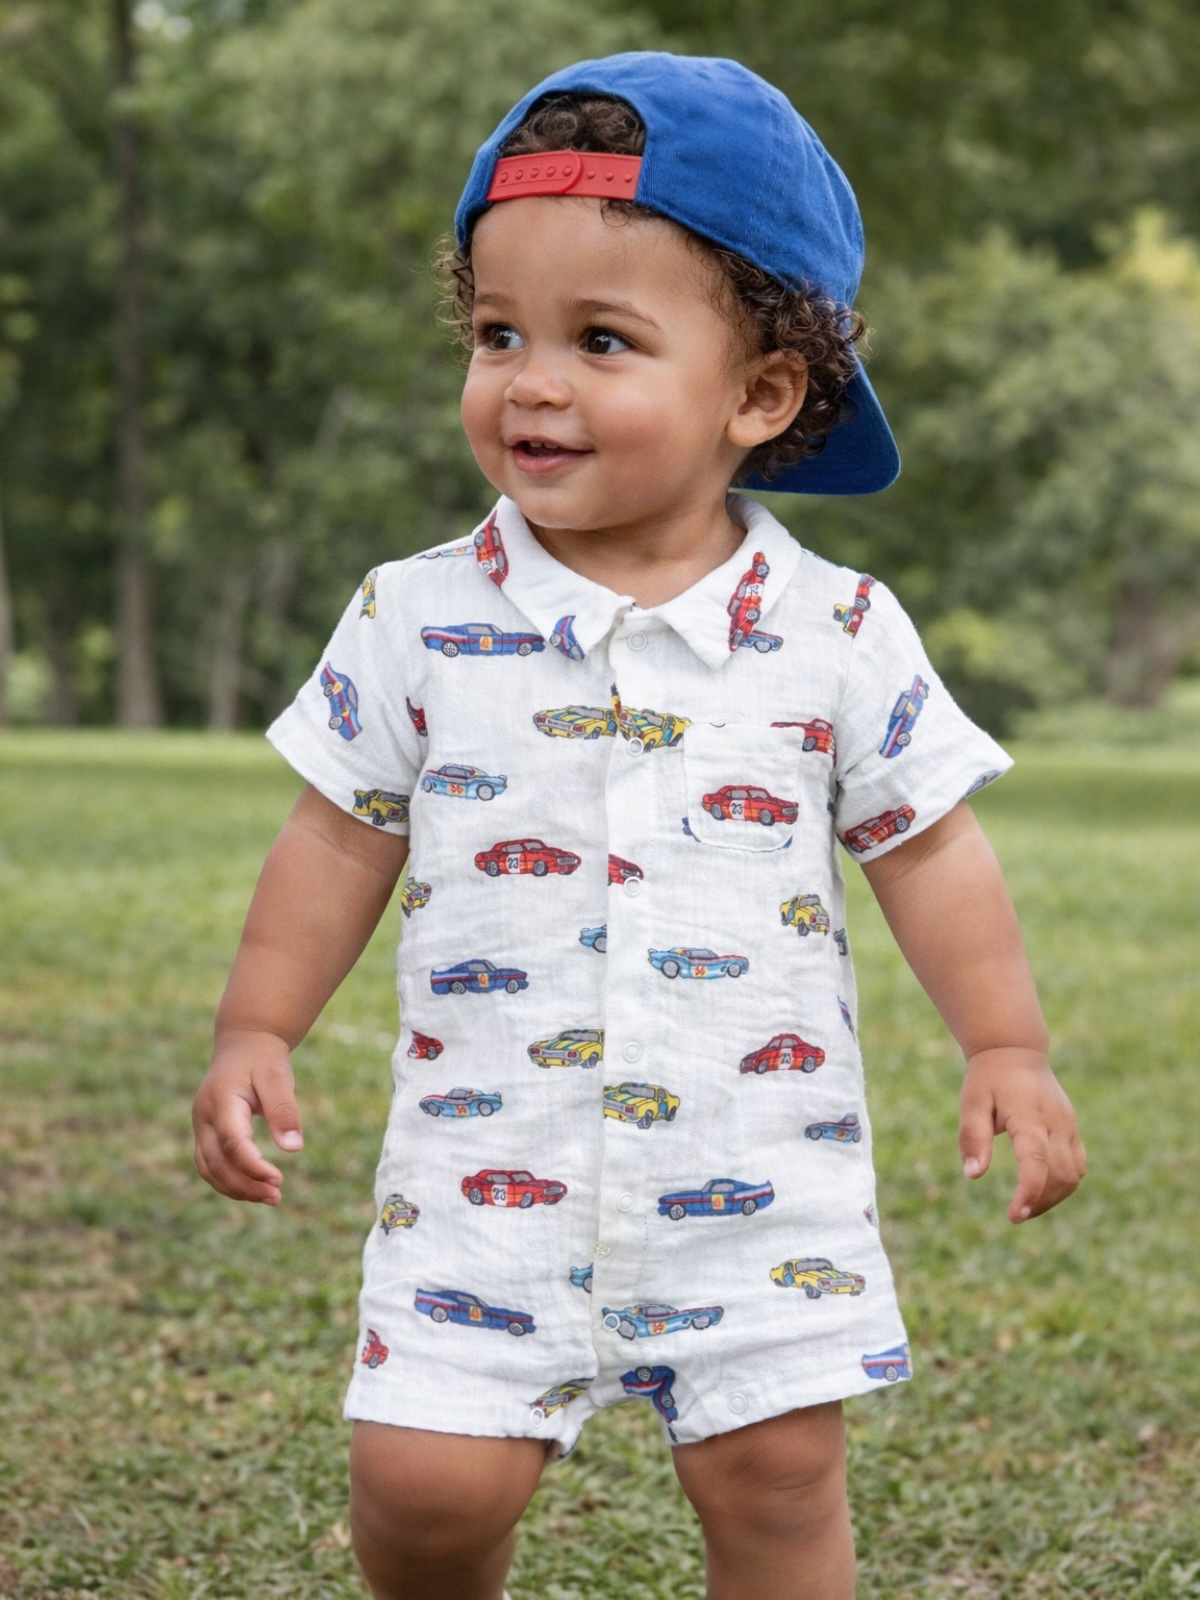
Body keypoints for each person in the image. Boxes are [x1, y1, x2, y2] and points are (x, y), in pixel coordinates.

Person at [192, 52, 1086, 1600]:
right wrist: (258, 1024)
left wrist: (1006, 1047)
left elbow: (929, 845)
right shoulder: (414, 616)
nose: (529, 380)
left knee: (777, 1475)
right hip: (486, 1167)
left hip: (757, 1165)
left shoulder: (838, 629)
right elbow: (340, 834)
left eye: (600, 340)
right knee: (421, 1486)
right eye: (496, 334)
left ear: (760, 394)